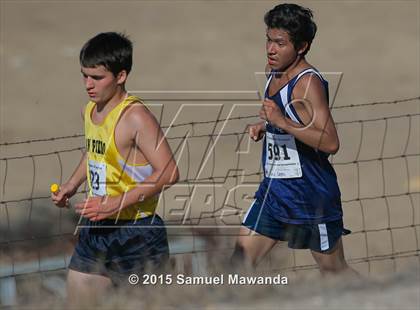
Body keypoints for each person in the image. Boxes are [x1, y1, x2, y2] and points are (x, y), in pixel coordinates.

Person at [51, 32, 179, 302]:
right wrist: (71, 186)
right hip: (95, 229)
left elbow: (169, 173)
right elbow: (94, 154)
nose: (88, 84)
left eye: (97, 78)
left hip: (137, 233)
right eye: (84, 75)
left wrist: (116, 203)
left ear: (121, 76)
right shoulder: (90, 110)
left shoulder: (136, 117)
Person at [231, 3, 354, 275]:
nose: (271, 49)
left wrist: (281, 123)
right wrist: (266, 125)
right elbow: (287, 117)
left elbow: (330, 142)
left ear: (302, 47)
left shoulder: (306, 84)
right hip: (274, 194)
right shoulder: (272, 71)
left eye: (280, 43)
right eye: (269, 39)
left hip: (310, 197)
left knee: (336, 274)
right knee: (238, 267)